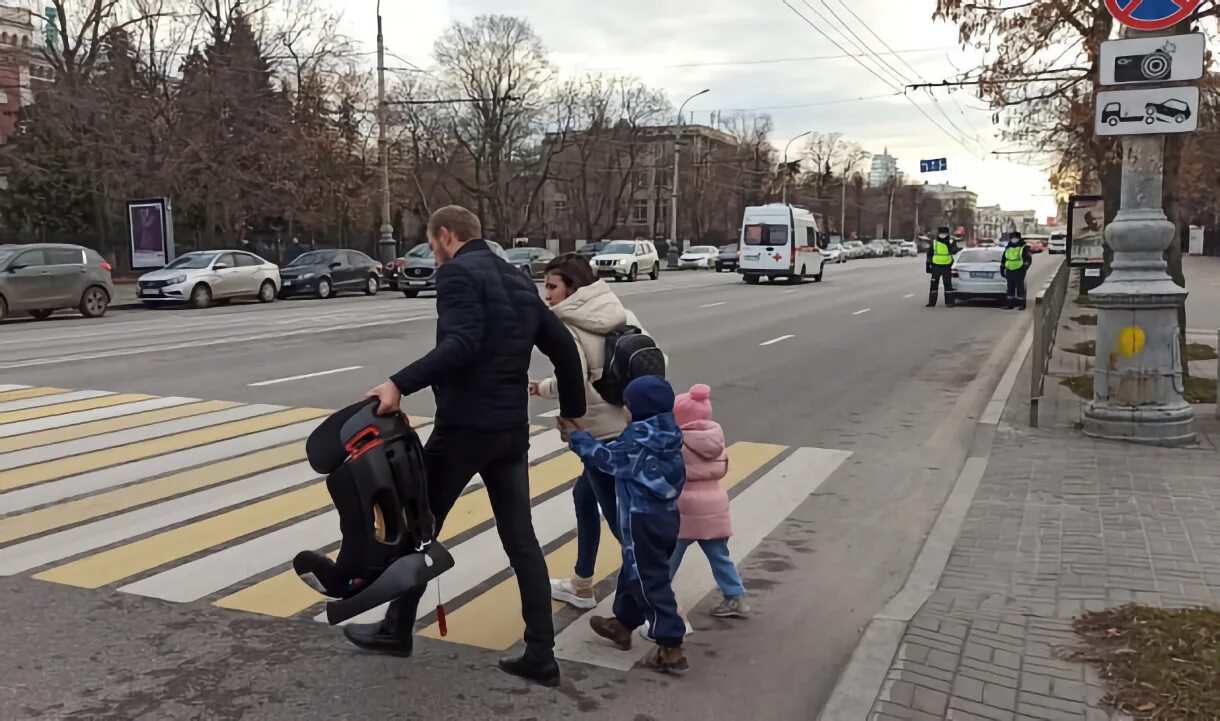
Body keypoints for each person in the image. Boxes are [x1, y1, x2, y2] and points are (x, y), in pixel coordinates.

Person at [357, 205, 586, 688]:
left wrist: (399, 383)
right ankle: (541, 654)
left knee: (421, 529)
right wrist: (571, 410)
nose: (433, 251)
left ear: (446, 235)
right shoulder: (518, 279)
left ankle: (397, 629)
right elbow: (564, 349)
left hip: (464, 429)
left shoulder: (458, 275)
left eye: (431, 241)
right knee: (521, 539)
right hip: (508, 431)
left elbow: (460, 345)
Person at [530, 253, 653, 610]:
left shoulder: (568, 326)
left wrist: (569, 422)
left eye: (552, 286)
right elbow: (650, 359)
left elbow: (577, 381)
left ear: (573, 288)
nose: (547, 294)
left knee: (621, 524)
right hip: (630, 424)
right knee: (584, 497)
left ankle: (657, 606)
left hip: (600, 436)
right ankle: (582, 583)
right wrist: (544, 389)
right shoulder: (621, 314)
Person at [563, 376, 689, 673]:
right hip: (667, 519)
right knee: (636, 572)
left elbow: (606, 459)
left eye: (628, 406)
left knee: (648, 582)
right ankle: (622, 623)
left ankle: (671, 645)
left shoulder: (637, 441)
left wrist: (577, 437)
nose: (625, 412)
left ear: (638, 410)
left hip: (642, 523)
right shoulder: (668, 433)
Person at [668, 384, 750, 618]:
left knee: (668, 559)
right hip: (715, 506)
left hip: (684, 509)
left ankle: (658, 598)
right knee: (720, 556)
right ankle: (736, 596)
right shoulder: (716, 439)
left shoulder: (677, 443)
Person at [926, 226, 959, 308]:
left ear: (947, 234)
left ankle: (949, 302)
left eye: (944, 233)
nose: (942, 235)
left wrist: (948, 245)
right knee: (934, 284)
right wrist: (928, 265)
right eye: (941, 233)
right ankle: (932, 302)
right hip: (936, 266)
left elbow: (954, 250)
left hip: (947, 266)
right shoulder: (934, 242)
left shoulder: (951, 241)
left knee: (947, 284)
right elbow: (929, 254)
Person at [1001, 231, 1033, 311]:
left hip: (1019, 270)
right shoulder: (1008, 247)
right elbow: (1004, 259)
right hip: (1009, 270)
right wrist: (1002, 268)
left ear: (1019, 238)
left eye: (1015, 238)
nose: (1013, 240)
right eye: (1012, 238)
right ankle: (1010, 304)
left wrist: (1024, 269)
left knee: (1020, 288)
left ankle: (1021, 304)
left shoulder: (1023, 247)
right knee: (1010, 288)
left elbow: (1028, 259)